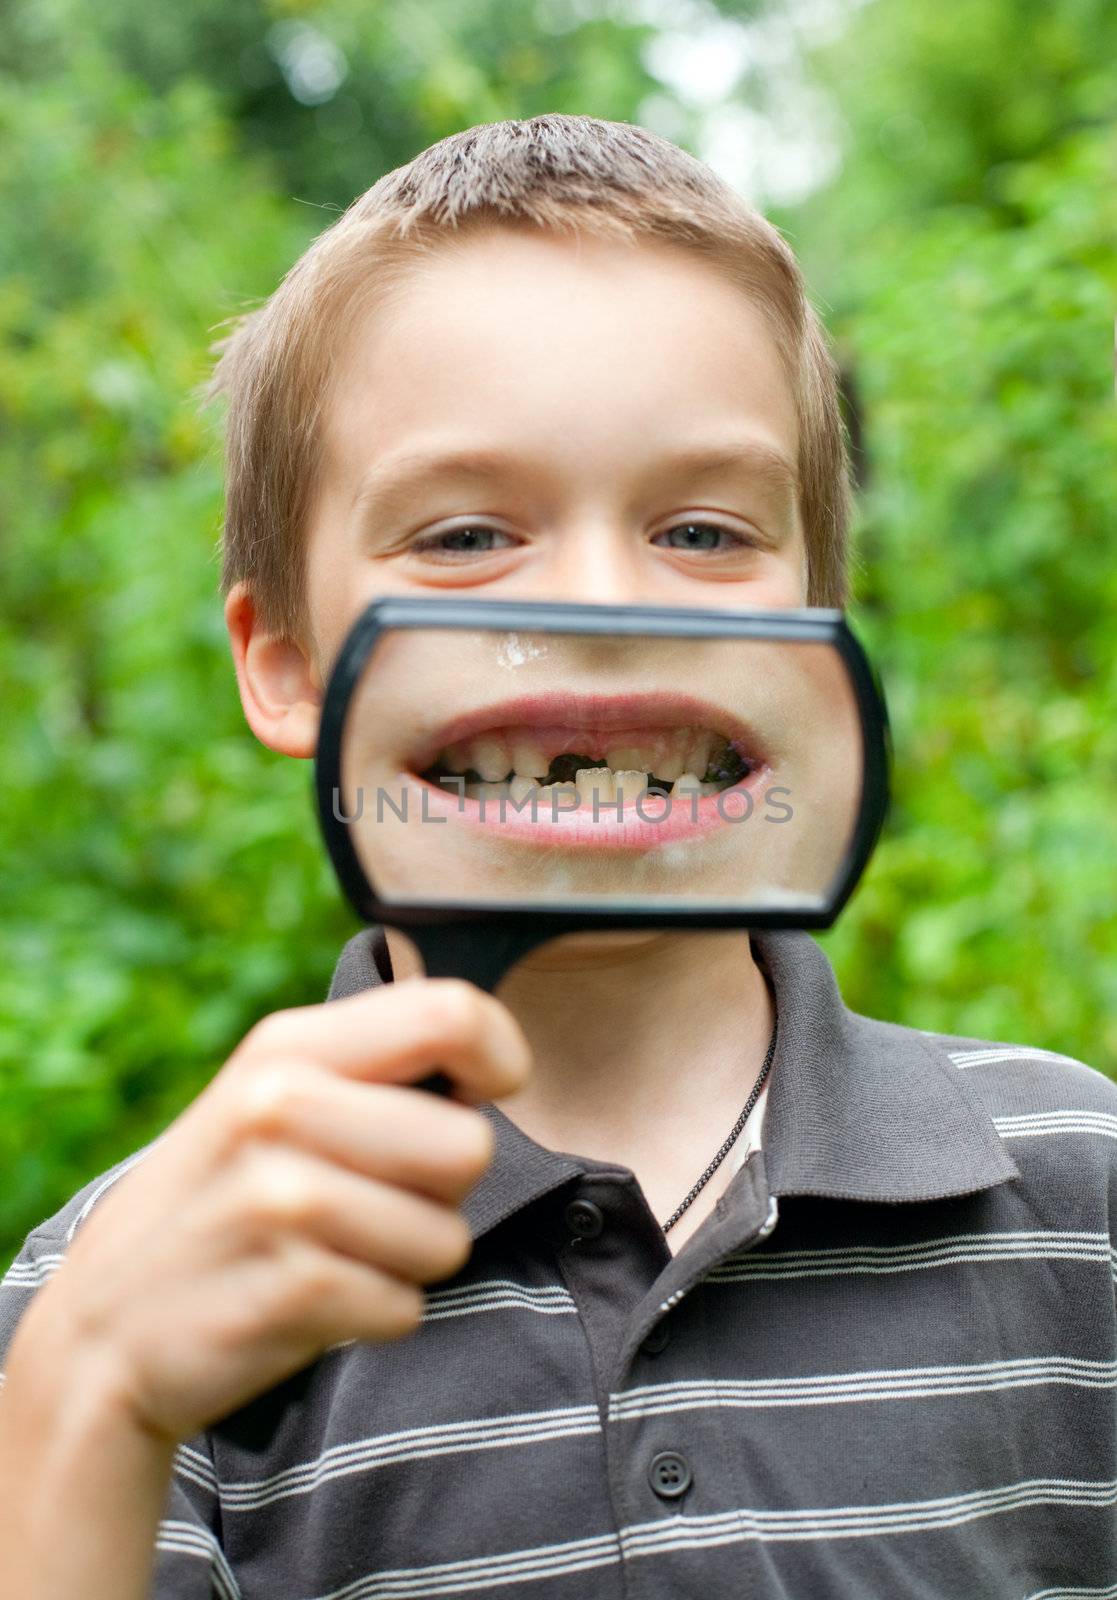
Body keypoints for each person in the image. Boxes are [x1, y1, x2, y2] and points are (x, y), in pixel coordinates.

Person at [1, 114, 1114, 1599]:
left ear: (817, 640)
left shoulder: (1079, 1193)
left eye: (705, 532)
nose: (601, 603)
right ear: (283, 663)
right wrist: (88, 1404)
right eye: (464, 534)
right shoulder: (134, 1296)